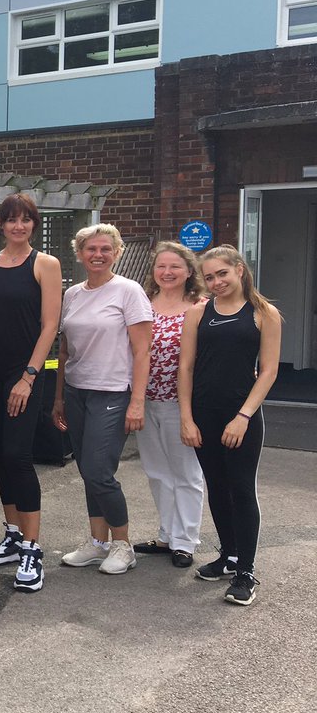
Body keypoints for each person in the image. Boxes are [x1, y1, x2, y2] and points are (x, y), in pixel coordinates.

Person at [179, 245, 282, 606]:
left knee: (240, 488)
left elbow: (268, 371)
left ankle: (246, 572)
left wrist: (243, 416)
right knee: (217, 487)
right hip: (204, 415)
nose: (216, 281)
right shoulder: (198, 313)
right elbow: (186, 367)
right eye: (209, 277)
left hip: (242, 417)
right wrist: (187, 417)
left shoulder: (263, 313)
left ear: (239, 269)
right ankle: (228, 556)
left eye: (222, 273)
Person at [0, 194, 62, 593]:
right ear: (0, 224)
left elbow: (50, 325)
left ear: (33, 224)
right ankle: (12, 534)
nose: (18, 226)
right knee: (0, 456)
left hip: (23, 373)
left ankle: (32, 547)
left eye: (25, 220)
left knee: (18, 456)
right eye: (11, 220)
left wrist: (28, 377)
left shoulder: (45, 264)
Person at [53, 223, 152, 576]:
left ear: (117, 253)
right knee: (88, 470)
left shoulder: (129, 291)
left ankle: (123, 545)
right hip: (77, 390)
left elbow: (142, 352)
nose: (97, 255)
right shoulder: (72, 295)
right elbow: (65, 350)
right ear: (79, 254)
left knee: (98, 469)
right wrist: (59, 398)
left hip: (113, 391)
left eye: (105, 249)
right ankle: (97, 543)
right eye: (90, 249)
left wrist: (137, 401)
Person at [131, 242, 207, 569]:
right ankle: (166, 534)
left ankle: (186, 541)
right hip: (146, 400)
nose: (167, 272)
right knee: (158, 472)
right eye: (161, 266)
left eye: (175, 266)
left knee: (186, 473)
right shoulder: (143, 305)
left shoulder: (202, 307)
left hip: (182, 403)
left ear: (189, 271)